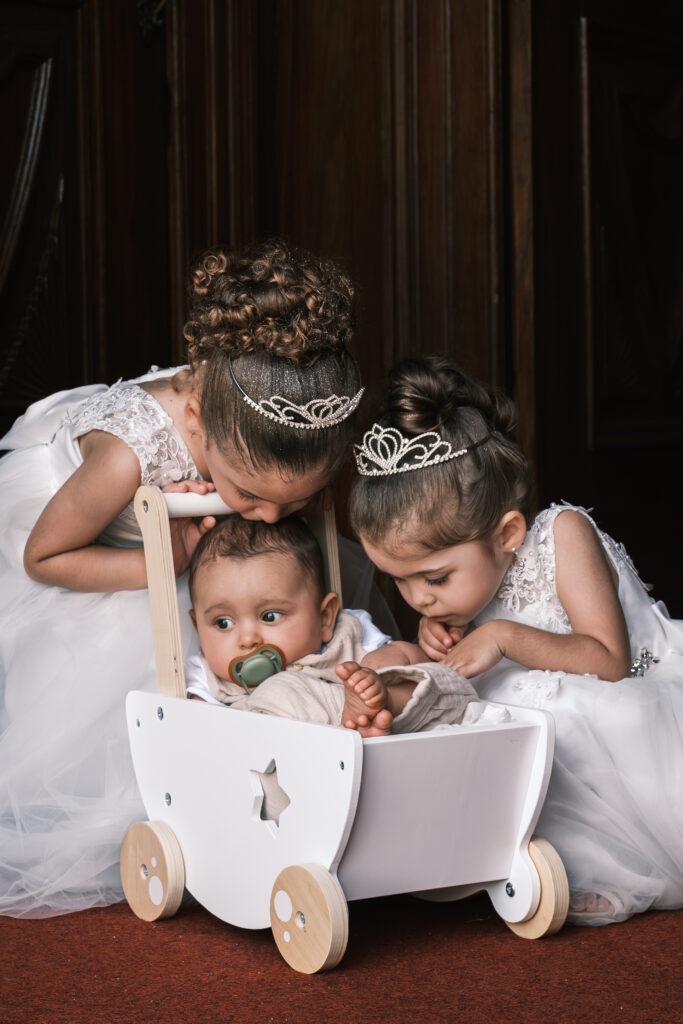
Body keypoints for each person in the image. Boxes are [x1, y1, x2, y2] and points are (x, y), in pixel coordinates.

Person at [0, 238, 377, 919]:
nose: (270, 518)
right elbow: (44, 559)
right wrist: (164, 564)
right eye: (249, 495)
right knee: (150, 673)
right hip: (91, 552)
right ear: (197, 422)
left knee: (273, 593)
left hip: (199, 556)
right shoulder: (124, 455)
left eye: (292, 504)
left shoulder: (254, 416)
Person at [348, 353, 683, 926]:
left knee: (542, 718)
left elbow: (610, 662)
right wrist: (436, 634)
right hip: (547, 699)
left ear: (507, 533)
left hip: (632, 703)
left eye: (434, 578)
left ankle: (597, 864)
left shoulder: (563, 534)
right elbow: (463, 639)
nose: (418, 598)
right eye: (397, 580)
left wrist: (500, 635)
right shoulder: (460, 588)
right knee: (492, 718)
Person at [184, 514, 479, 736]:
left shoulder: (346, 637)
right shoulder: (205, 681)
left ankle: (376, 707)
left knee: (403, 669)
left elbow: (415, 660)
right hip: (281, 762)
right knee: (275, 692)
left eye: (270, 616)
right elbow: (203, 739)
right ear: (198, 629)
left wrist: (377, 676)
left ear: (325, 618)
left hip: (369, 727)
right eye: (223, 623)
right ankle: (347, 725)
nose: (247, 639)